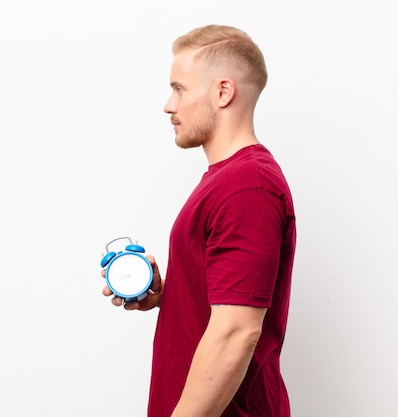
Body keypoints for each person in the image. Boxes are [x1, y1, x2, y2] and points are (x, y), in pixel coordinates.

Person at [102, 24, 296, 417]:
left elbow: (236, 332)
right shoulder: (229, 180)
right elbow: (227, 309)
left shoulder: (247, 186)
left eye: (180, 88)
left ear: (223, 92)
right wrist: (170, 296)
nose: (168, 105)